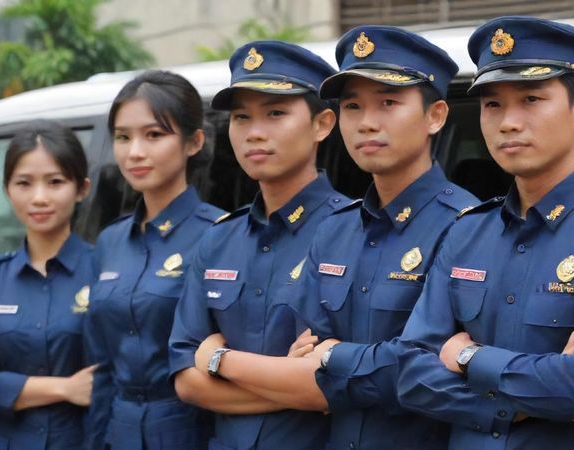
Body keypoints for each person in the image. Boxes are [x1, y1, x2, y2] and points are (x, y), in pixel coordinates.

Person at [395, 16, 574, 449]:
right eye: (492, 105)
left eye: (531, 98)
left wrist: (465, 356)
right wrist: (541, 392)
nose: (508, 122)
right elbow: (412, 376)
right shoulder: (468, 231)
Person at [192, 26, 479, 450]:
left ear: (435, 116)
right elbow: (307, 369)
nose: (367, 123)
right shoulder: (337, 230)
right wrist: (322, 371)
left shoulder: (469, 226)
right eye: (353, 106)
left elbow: (415, 376)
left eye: (388, 103)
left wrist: (219, 358)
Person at [168, 41, 347, 450]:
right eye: (241, 117)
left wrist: (217, 360)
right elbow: (186, 380)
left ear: (322, 124)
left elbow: (329, 386)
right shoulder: (219, 238)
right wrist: (286, 379)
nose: (255, 133)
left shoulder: (350, 232)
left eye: (275, 113)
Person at [84, 70, 225, 450]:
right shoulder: (110, 242)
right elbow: (103, 370)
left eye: (154, 135)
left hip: (194, 432)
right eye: (122, 137)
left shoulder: (221, 235)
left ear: (194, 142)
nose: (135, 152)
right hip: (119, 432)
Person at [0, 120, 94, 449]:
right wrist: (65, 388)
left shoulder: (106, 272)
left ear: (82, 188)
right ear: (8, 189)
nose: (39, 198)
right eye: (24, 183)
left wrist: (12, 388)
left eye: (54, 182)